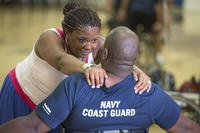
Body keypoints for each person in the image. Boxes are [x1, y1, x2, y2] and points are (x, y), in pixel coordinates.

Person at [1, 26, 200, 133]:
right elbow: (187, 128)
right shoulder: (149, 92)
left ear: (103, 54)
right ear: (135, 59)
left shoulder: (75, 86)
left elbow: (32, 127)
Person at [0, 2, 151, 133]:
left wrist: (138, 72)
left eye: (93, 40)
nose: (88, 46)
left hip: (50, 108)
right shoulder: (49, 38)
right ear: (67, 33)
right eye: (82, 40)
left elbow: (120, 58)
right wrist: (87, 68)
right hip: (21, 96)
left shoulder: (98, 45)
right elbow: (60, 61)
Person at [107, 0, 165, 64]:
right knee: (125, 31)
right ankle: (130, 53)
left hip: (146, 15)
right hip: (136, 14)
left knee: (156, 30)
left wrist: (159, 22)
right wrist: (122, 10)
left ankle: (158, 55)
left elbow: (159, 6)